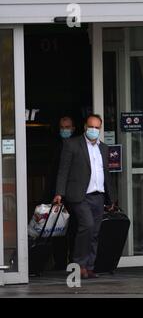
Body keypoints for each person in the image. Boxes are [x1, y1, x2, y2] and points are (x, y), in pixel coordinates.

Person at [53, 114, 115, 279]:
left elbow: (107, 175)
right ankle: (78, 265)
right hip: (80, 195)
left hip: (98, 195)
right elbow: (63, 170)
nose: (94, 130)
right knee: (86, 225)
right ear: (85, 127)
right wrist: (59, 192)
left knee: (94, 232)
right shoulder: (72, 145)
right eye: (91, 127)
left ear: (100, 129)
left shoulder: (104, 148)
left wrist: (111, 199)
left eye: (97, 127)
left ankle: (89, 266)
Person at [44, 116, 76, 270]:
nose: (65, 130)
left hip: (74, 195)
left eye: (67, 127)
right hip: (56, 195)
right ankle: (60, 262)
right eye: (62, 127)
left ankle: (75, 261)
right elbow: (52, 173)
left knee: (75, 229)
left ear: (73, 128)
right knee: (58, 230)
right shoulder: (55, 147)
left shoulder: (77, 146)